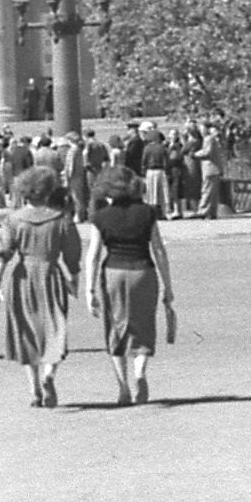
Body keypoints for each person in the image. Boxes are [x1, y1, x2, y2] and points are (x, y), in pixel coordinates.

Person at [82, 166, 177, 406]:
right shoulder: (147, 213)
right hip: (143, 271)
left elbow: (92, 254)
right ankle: (140, 373)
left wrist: (89, 288)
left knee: (115, 327)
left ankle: (123, 387)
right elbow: (158, 249)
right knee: (143, 324)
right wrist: (168, 285)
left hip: (113, 272)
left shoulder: (100, 216)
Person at [0, 165, 82, 407]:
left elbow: (3, 253)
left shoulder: (14, 219)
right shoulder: (61, 219)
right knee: (55, 329)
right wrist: (74, 283)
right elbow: (72, 257)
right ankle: (49, 374)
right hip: (51, 275)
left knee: (26, 331)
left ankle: (34, 390)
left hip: (23, 278)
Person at [196, 120, 228, 221]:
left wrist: (195, 154)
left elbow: (207, 152)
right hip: (214, 169)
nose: (200, 131)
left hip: (210, 168)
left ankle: (203, 211)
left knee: (207, 191)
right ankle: (211, 213)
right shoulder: (212, 139)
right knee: (213, 192)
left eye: (201, 128)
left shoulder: (208, 139)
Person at [139, 123, 172, 215]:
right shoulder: (162, 148)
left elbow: (143, 161)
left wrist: (143, 172)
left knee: (152, 192)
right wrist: (168, 172)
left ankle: (153, 211)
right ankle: (163, 211)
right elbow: (166, 161)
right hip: (161, 171)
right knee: (162, 192)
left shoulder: (147, 148)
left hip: (150, 171)